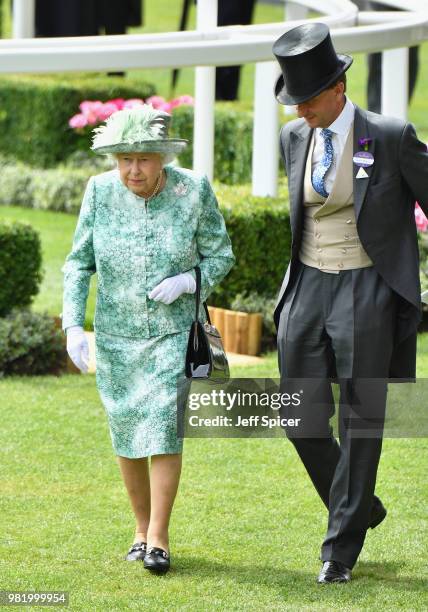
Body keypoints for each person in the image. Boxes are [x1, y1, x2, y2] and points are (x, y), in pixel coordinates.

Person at [272, 23, 428, 584]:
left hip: (366, 286)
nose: (300, 111)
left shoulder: (388, 136)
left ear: (337, 88)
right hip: (306, 286)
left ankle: (338, 551)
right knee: (299, 416)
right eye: (293, 101)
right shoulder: (295, 139)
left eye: (307, 99)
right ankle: (361, 507)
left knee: (362, 420)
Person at [62, 104, 234, 573]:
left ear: (162, 158)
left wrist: (190, 280)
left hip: (173, 333)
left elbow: (221, 255)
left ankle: (158, 535)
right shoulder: (98, 191)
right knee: (126, 430)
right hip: (117, 336)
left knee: (161, 426)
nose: (133, 170)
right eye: (124, 160)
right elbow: (79, 262)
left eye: (143, 159)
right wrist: (73, 325)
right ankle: (140, 529)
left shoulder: (192, 190)